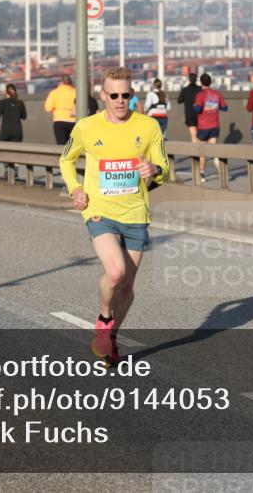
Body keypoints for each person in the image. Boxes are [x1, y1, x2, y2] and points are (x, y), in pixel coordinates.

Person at [58, 66, 169, 367]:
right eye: (115, 95)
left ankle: (112, 339)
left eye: (127, 95)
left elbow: (164, 167)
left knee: (128, 287)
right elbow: (66, 160)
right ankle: (103, 321)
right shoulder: (86, 126)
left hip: (135, 212)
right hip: (99, 211)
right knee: (116, 272)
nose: (121, 101)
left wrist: (155, 171)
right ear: (103, 95)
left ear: (132, 96)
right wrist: (75, 189)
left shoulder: (148, 127)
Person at [193, 73, 228, 181]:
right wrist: (214, 106)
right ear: (210, 82)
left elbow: (198, 109)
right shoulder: (217, 94)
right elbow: (225, 108)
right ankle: (217, 161)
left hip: (203, 126)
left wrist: (195, 107)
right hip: (215, 125)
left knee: (202, 151)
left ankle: (202, 174)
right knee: (213, 148)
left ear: (201, 82)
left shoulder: (200, 95)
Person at [45, 75, 77, 145]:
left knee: (61, 146)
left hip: (59, 121)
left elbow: (48, 108)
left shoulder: (54, 93)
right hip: (74, 121)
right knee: (71, 146)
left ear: (61, 82)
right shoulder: (76, 92)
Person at [177, 72, 202, 143]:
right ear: (196, 79)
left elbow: (179, 101)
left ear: (189, 80)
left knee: (193, 136)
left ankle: (195, 153)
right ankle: (201, 153)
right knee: (200, 136)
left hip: (189, 115)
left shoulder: (185, 90)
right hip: (200, 114)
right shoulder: (200, 89)